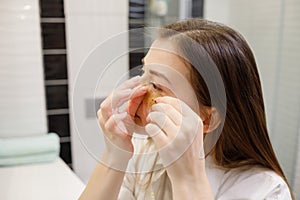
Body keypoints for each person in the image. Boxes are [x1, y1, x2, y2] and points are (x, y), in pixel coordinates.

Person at [79, 18, 293, 200]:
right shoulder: (145, 154)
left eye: (156, 85)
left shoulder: (266, 191)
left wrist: (188, 181)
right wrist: (115, 154)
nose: (138, 91)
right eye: (143, 73)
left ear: (207, 119)